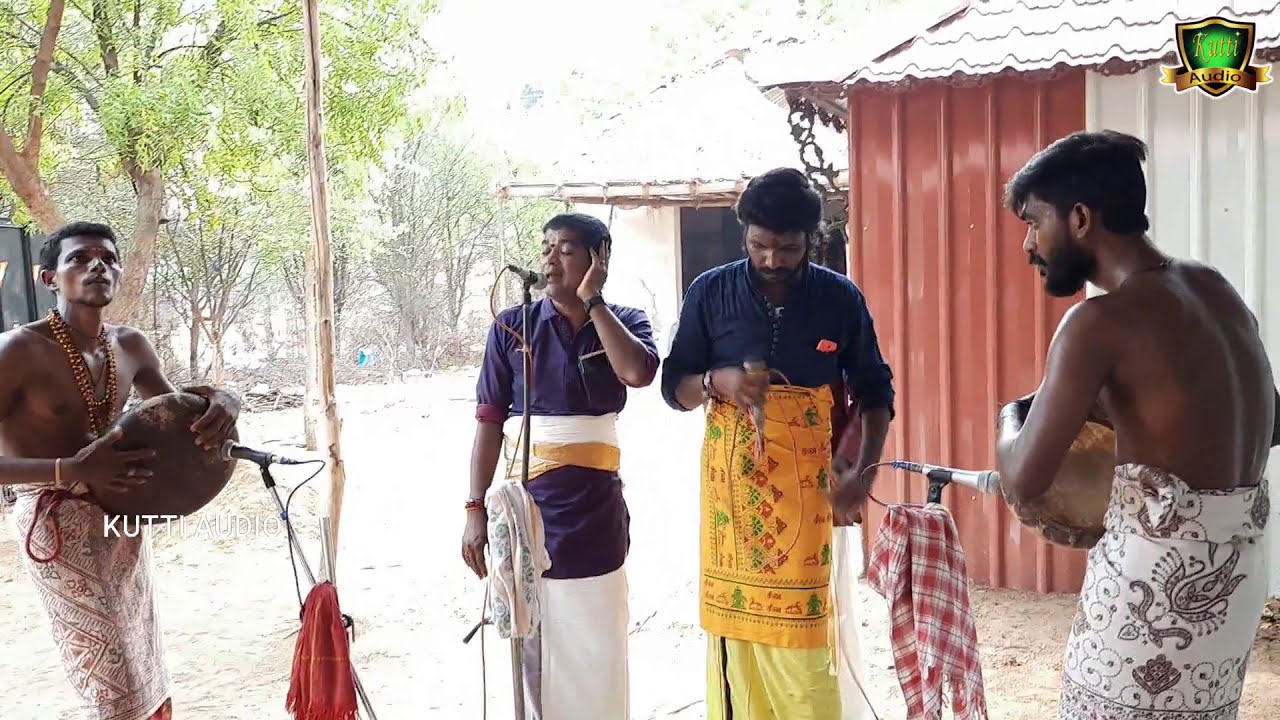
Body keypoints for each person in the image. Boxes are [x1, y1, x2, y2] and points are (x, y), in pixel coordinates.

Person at [994, 130, 1277, 720]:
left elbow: (1023, 479)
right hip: (1238, 578)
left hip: (1153, 589)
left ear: (1078, 218)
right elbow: (1272, 422)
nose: (1028, 244)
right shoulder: (1214, 288)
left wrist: (1011, 416)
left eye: (1033, 221)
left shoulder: (1095, 323)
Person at [661, 167, 895, 719]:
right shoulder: (709, 291)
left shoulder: (840, 298)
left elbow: (875, 391)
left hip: (810, 490)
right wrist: (718, 382)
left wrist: (862, 474)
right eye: (760, 245)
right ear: (743, 233)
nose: (771, 260)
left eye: (786, 248)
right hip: (732, 494)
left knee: (806, 637)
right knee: (737, 634)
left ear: (809, 239)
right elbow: (674, 386)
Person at [0, 221, 241, 720]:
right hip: (55, 521)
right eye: (79, 258)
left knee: (141, 656)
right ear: (49, 279)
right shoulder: (15, 351)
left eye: (108, 258)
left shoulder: (130, 345)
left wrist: (221, 398)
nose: (97, 266)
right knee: (110, 680)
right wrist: (69, 468)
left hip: (123, 515)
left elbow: (178, 418)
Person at [460, 212, 658, 720]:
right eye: (546, 246)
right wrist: (474, 508)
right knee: (537, 636)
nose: (549, 258)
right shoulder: (511, 327)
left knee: (598, 633)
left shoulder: (626, 321)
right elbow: (488, 421)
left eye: (565, 248)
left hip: (598, 513)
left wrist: (593, 302)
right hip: (532, 510)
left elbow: (636, 372)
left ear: (599, 258)